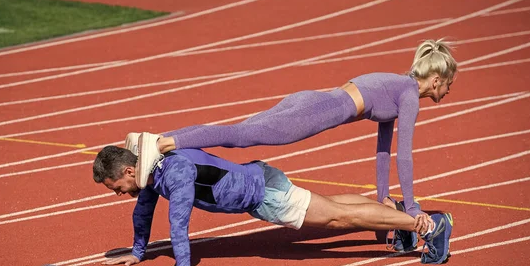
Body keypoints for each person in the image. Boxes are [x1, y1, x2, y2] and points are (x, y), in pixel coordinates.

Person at [131, 39, 457, 227]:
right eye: (449, 84)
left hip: (310, 100)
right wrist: (412, 207)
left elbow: (384, 147)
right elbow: (406, 154)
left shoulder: (397, 86)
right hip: (317, 112)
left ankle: (156, 138)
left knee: (241, 131)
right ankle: (162, 142)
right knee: (242, 136)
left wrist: (383, 194)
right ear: (437, 79)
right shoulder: (410, 95)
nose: (448, 91)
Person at [93, 139, 452, 266]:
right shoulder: (155, 168)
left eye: (116, 188)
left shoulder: (175, 174)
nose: (120, 195)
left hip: (265, 195)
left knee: (338, 219)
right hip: (260, 178)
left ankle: (427, 225)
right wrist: (138, 251)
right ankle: (391, 212)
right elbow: (144, 209)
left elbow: (179, 224)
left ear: (127, 171)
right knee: (331, 204)